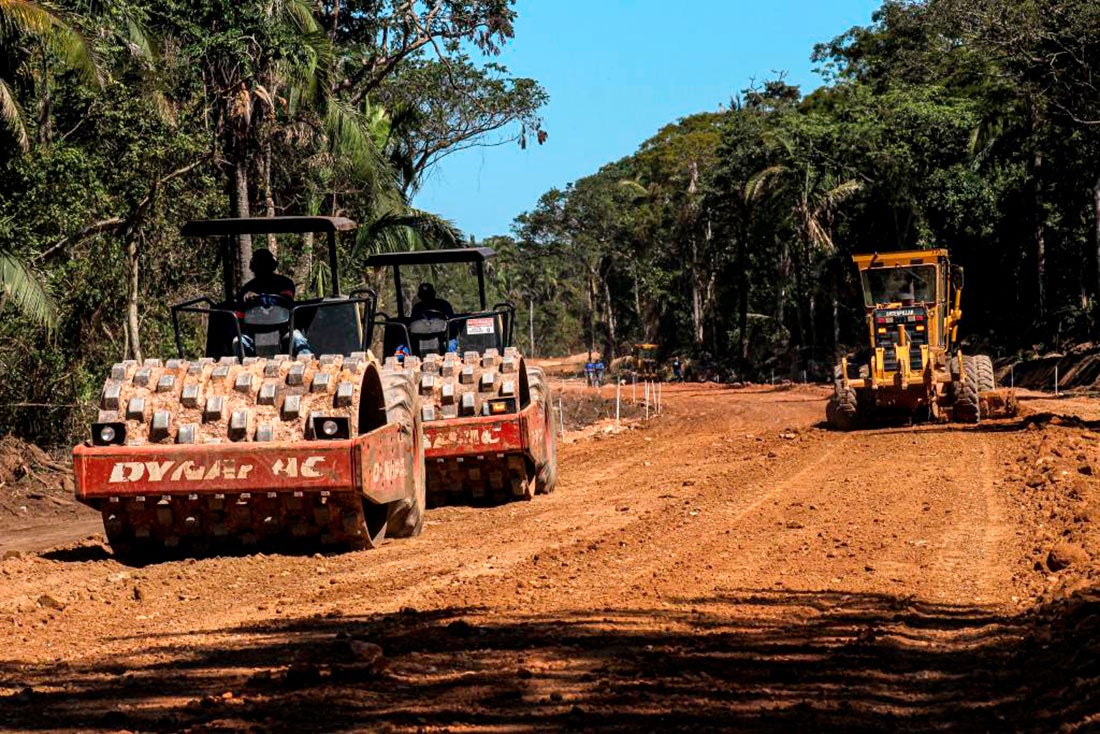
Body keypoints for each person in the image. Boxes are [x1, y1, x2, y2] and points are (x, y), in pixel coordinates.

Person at [234, 248, 311, 356]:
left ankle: (308, 366)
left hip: (282, 330)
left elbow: (285, 300)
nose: (262, 269)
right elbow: (240, 315)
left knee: (298, 339)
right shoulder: (247, 288)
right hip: (254, 331)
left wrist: (260, 298)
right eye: (259, 265)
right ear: (253, 267)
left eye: (265, 264)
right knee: (238, 342)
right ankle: (240, 369)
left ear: (272, 265)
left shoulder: (285, 283)